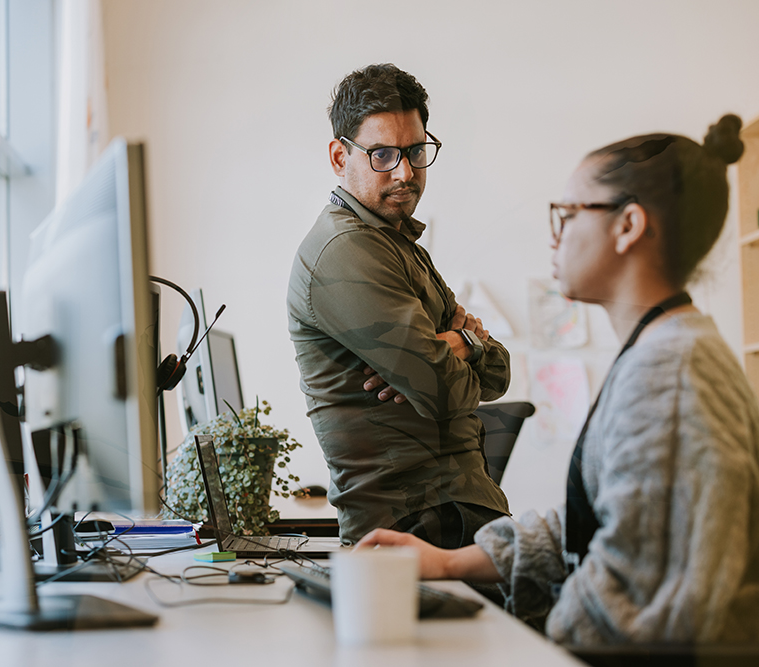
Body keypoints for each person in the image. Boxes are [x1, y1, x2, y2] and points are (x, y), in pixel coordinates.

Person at [358, 114, 759, 645]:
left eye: (568, 214)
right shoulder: (657, 352)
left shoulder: (672, 377)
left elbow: (640, 611)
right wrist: (449, 564)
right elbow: (586, 527)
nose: (555, 234)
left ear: (628, 226)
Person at [287, 63, 512, 547]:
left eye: (415, 151)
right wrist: (454, 350)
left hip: (453, 511)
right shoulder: (346, 251)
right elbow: (442, 391)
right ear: (338, 157)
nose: (405, 172)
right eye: (382, 154)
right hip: (416, 522)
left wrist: (460, 344)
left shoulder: (397, 243)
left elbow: (498, 374)